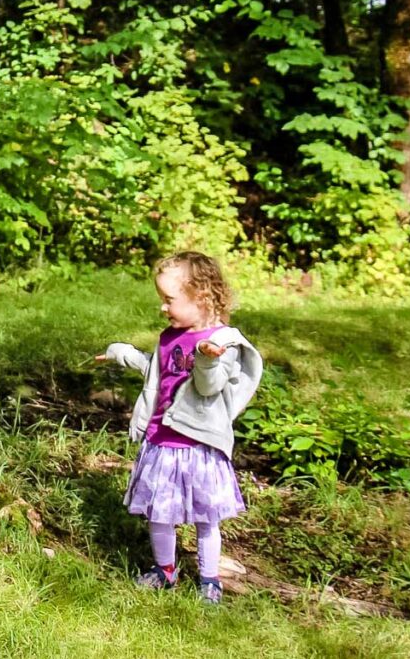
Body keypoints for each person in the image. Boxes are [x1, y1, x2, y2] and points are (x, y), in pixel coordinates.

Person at [96, 251, 263, 604]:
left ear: (201, 296)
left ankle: (209, 580)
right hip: (161, 441)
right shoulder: (168, 337)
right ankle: (165, 570)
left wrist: (205, 358)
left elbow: (209, 386)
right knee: (159, 514)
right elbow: (154, 371)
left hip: (198, 447)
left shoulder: (223, 342)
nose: (163, 307)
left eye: (169, 299)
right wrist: (121, 353)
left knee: (206, 519)